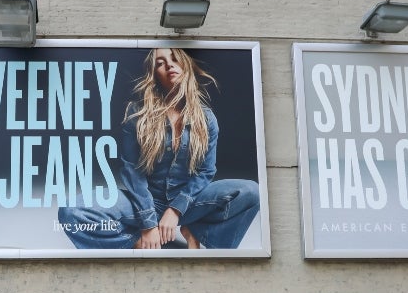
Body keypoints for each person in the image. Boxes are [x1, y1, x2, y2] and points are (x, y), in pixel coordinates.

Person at [58, 48, 260, 249]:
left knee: (251, 192)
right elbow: (132, 171)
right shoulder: (137, 115)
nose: (169, 64)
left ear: (186, 67)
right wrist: (148, 224)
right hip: (144, 201)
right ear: (154, 75)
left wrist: (176, 210)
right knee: (71, 211)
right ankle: (137, 243)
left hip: (190, 203)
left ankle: (197, 232)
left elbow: (206, 172)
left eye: (175, 59)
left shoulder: (206, 119)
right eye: (160, 63)